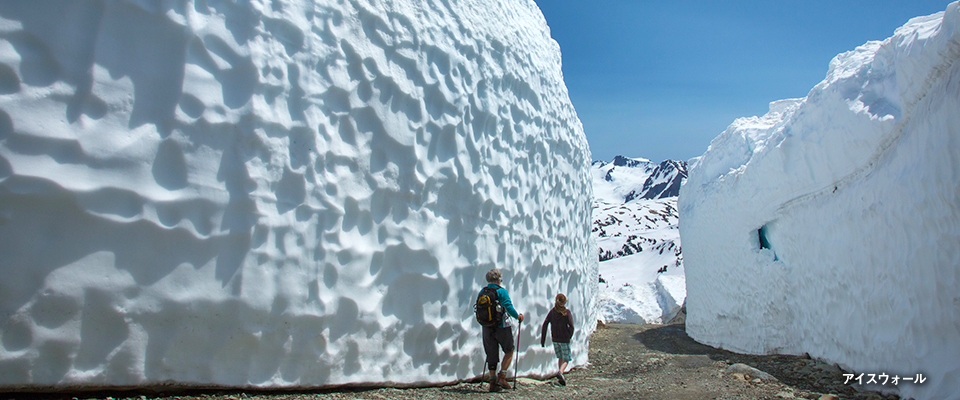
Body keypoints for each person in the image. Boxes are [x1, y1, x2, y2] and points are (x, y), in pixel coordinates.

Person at [479, 268, 524, 392]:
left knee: (491, 353)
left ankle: (492, 382)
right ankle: (502, 377)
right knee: (509, 350)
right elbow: (508, 306)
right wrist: (518, 316)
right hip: (502, 326)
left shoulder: (483, 291)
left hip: (487, 327)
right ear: (499, 279)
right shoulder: (502, 292)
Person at [540, 293, 574, 386]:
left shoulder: (552, 312)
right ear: (564, 302)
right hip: (564, 339)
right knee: (566, 358)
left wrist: (542, 340)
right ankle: (561, 372)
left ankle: (561, 377)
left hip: (555, 339)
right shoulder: (567, 312)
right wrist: (569, 336)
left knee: (560, 357)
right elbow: (571, 326)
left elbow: (545, 324)